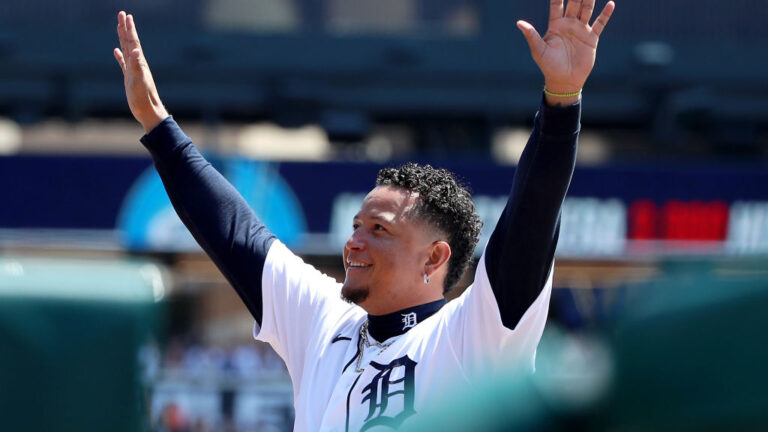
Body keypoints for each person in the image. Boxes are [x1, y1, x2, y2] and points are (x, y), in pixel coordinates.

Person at [114, 0, 614, 430]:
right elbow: (235, 235)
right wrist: (158, 125)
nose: (355, 242)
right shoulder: (324, 318)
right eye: (357, 226)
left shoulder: (476, 333)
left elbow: (532, 217)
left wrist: (562, 101)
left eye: (379, 230)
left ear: (433, 257)